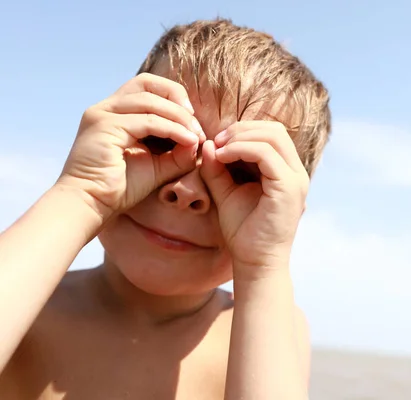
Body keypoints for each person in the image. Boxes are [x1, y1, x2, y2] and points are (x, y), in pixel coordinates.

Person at [0, 18, 330, 399]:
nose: (187, 190)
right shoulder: (27, 304)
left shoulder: (271, 327)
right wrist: (82, 192)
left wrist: (264, 266)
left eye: (241, 171)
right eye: (160, 139)